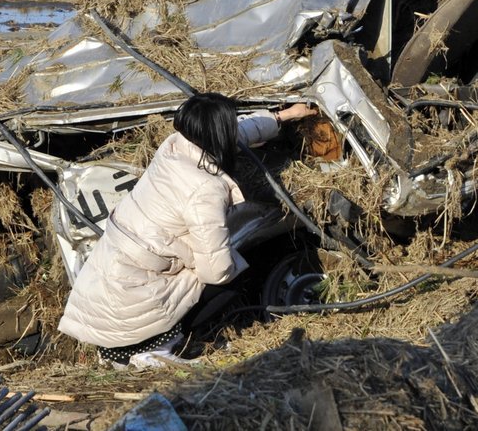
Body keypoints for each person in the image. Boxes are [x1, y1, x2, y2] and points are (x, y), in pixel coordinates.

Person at [58, 93, 317, 369]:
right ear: (219, 133)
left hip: (111, 285)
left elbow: (236, 133)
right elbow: (216, 272)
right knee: (231, 277)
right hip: (131, 303)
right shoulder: (204, 189)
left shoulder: (175, 147)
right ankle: (158, 348)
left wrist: (284, 116)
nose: (234, 129)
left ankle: (139, 345)